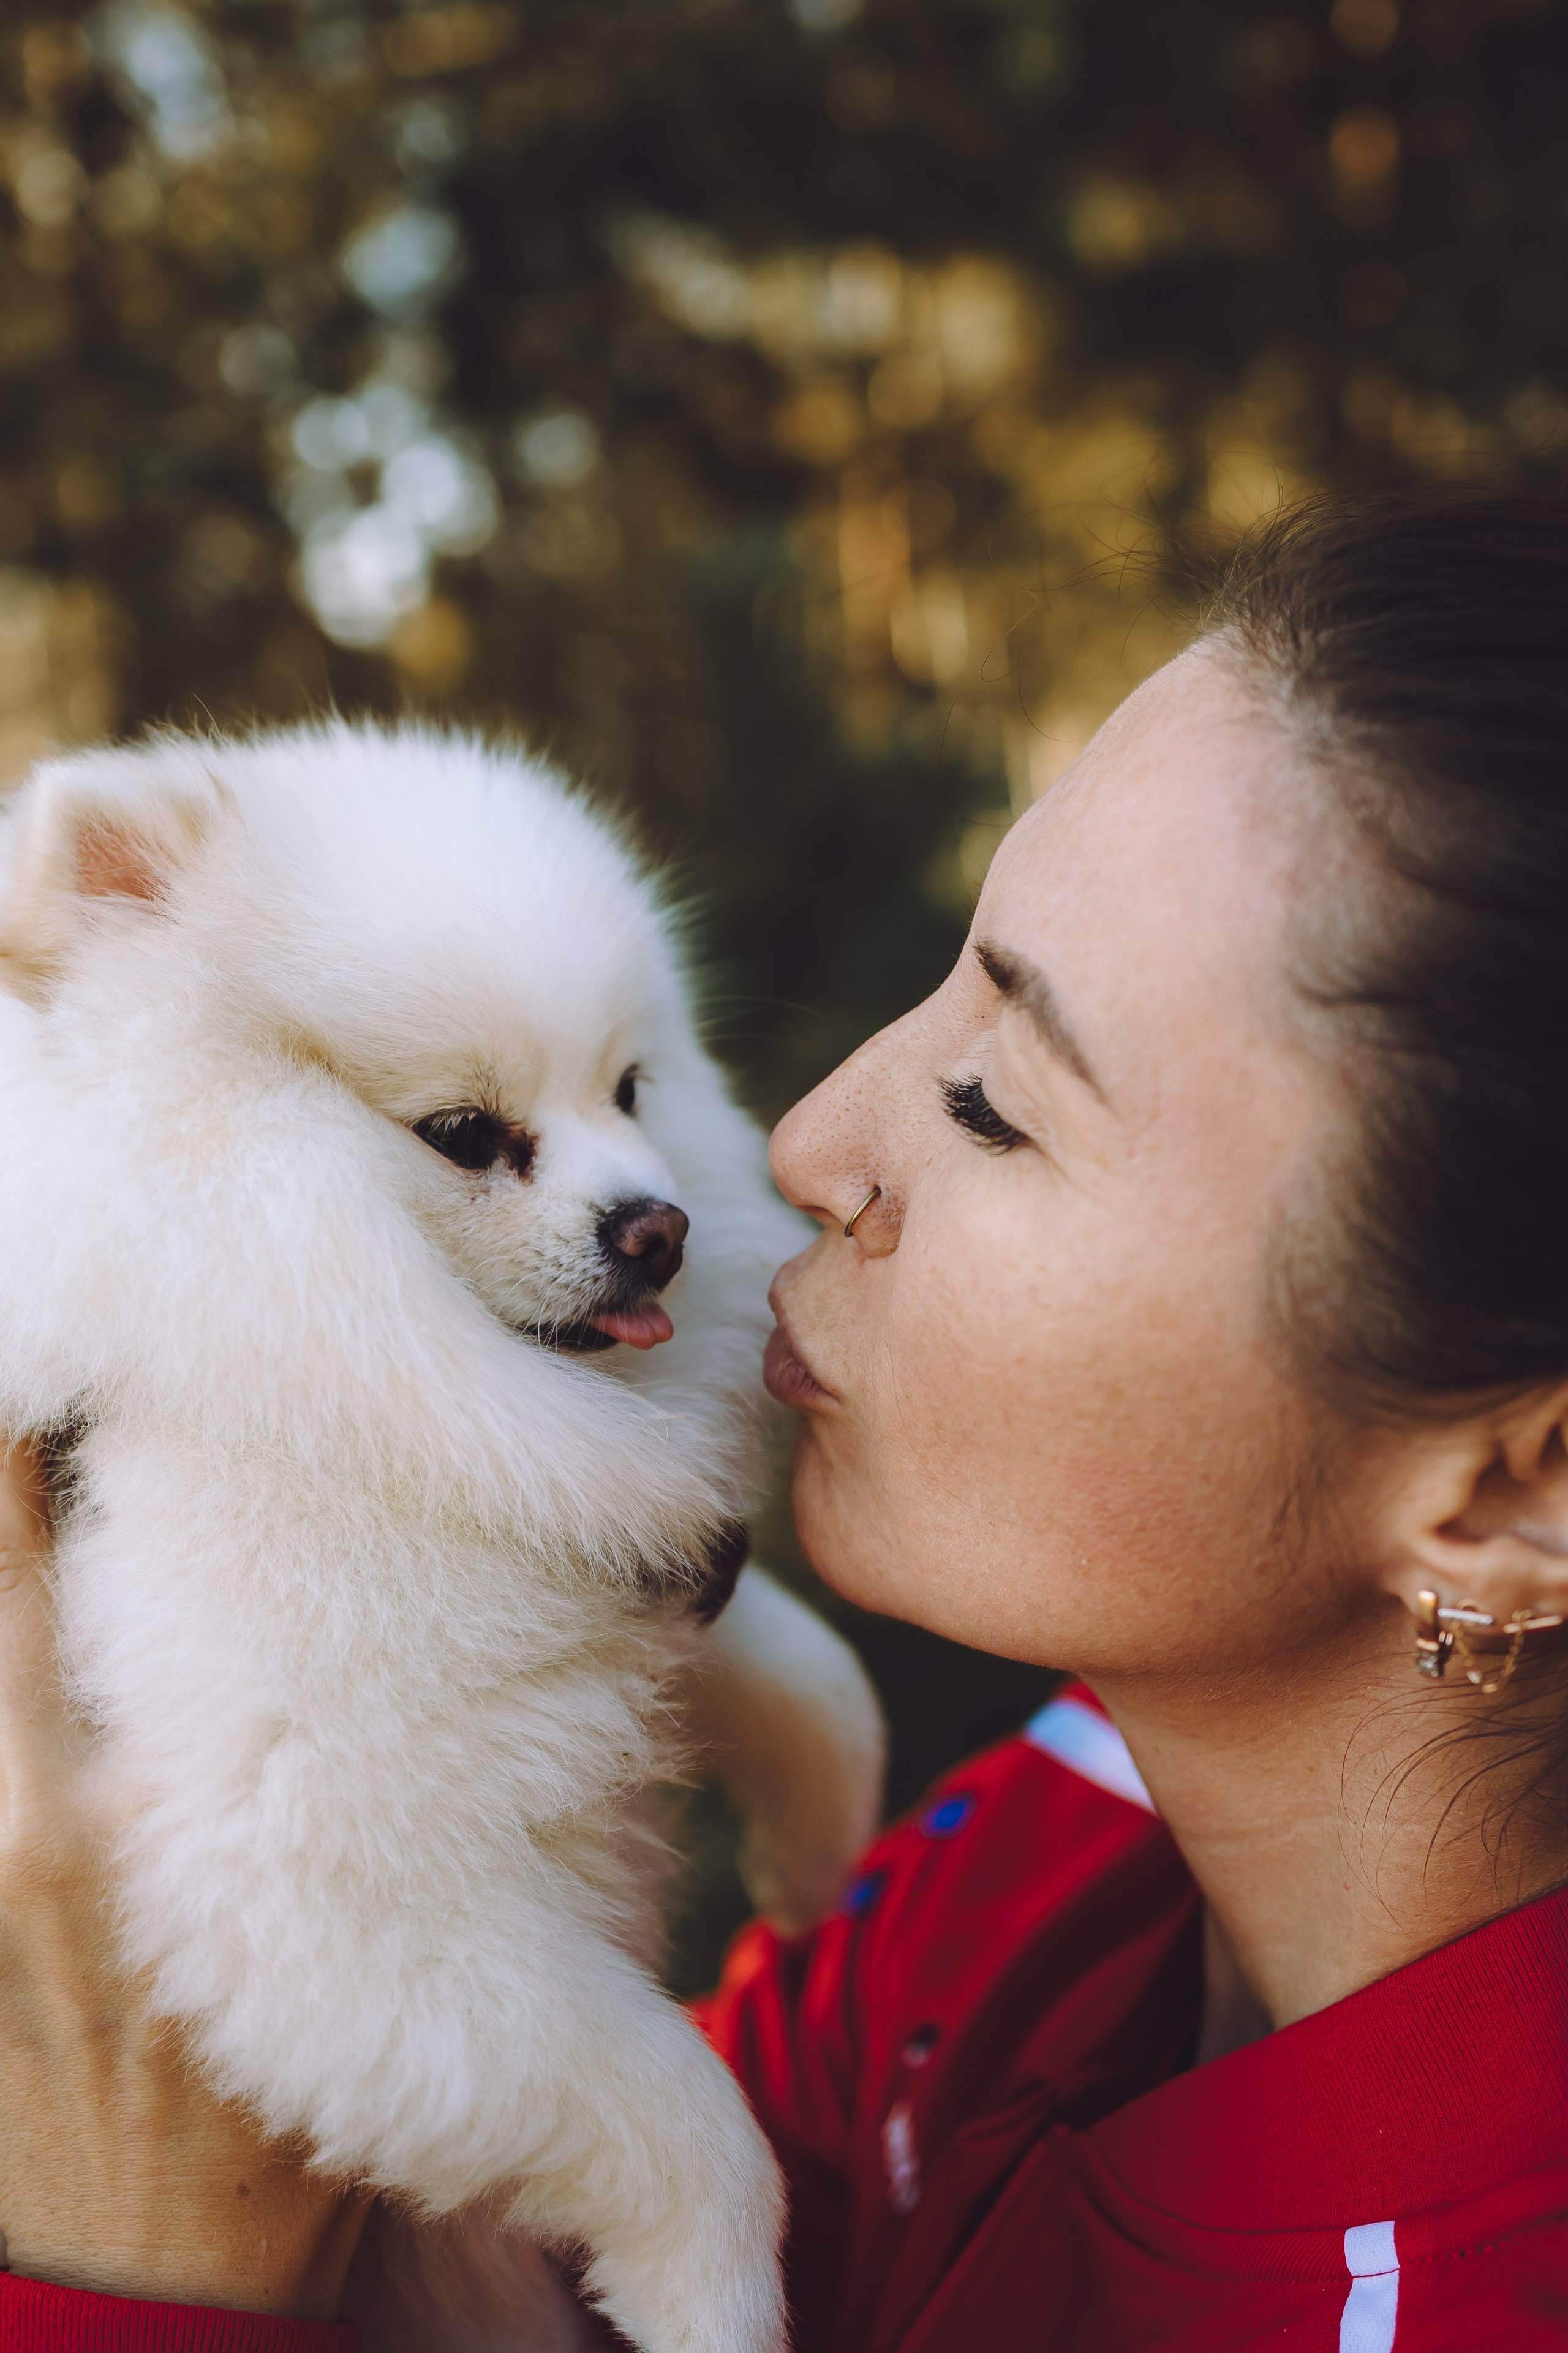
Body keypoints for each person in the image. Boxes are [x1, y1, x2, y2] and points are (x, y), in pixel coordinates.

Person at [2, 491, 1567, 2352]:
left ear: (1510, 1485)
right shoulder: (1048, 1850)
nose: (809, 1141)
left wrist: (142, 2265)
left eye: (996, 1103)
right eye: (941, 986)